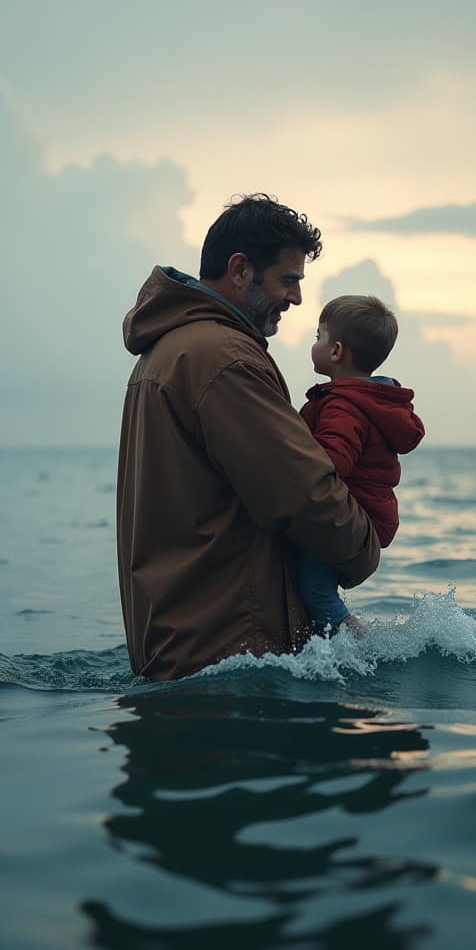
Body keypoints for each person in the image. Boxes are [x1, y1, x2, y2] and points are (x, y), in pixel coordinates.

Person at [116, 195, 380, 681]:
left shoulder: (169, 351)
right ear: (240, 270)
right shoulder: (224, 359)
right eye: (288, 280)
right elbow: (304, 494)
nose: (297, 299)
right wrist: (365, 545)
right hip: (231, 658)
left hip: (181, 649)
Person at [297, 295, 425, 633]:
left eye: (318, 336)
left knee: (315, 587)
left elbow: (332, 460)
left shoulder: (344, 405)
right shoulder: (369, 400)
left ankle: (358, 643)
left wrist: (288, 454)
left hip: (351, 520)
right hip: (370, 516)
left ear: (336, 351)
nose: (315, 343)